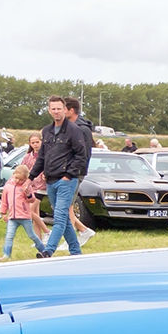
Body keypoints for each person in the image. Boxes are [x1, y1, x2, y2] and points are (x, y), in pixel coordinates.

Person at [28, 95, 89, 256]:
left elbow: (81, 155)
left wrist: (69, 175)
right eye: (53, 109)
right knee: (63, 218)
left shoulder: (74, 130)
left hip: (66, 181)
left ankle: (48, 250)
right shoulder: (47, 131)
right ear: (49, 111)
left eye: (59, 109)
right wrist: (30, 177)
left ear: (65, 110)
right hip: (51, 180)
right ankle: (76, 251)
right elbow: (42, 157)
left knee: (60, 216)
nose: (56, 112)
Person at [62, 97, 97, 246]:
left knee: (67, 205)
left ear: (71, 110)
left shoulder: (82, 129)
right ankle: (83, 231)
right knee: (65, 206)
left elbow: (83, 154)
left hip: (75, 172)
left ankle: (71, 240)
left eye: (63, 109)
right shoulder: (69, 126)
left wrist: (72, 172)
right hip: (66, 171)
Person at [0, 166, 47, 260]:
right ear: (13, 175)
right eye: (16, 178)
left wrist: (28, 194)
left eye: (21, 180)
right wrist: (3, 213)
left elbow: (32, 200)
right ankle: (6, 254)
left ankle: (43, 250)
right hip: (12, 217)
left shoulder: (26, 187)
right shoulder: (8, 187)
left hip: (25, 217)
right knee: (9, 236)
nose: (17, 181)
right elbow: (4, 201)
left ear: (25, 179)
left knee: (32, 235)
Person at [17, 132, 51, 242]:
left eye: (37, 142)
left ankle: (46, 231)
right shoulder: (28, 157)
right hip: (31, 186)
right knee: (35, 214)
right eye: (33, 143)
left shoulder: (46, 155)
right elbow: (22, 169)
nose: (35, 145)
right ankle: (39, 239)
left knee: (29, 210)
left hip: (41, 186)